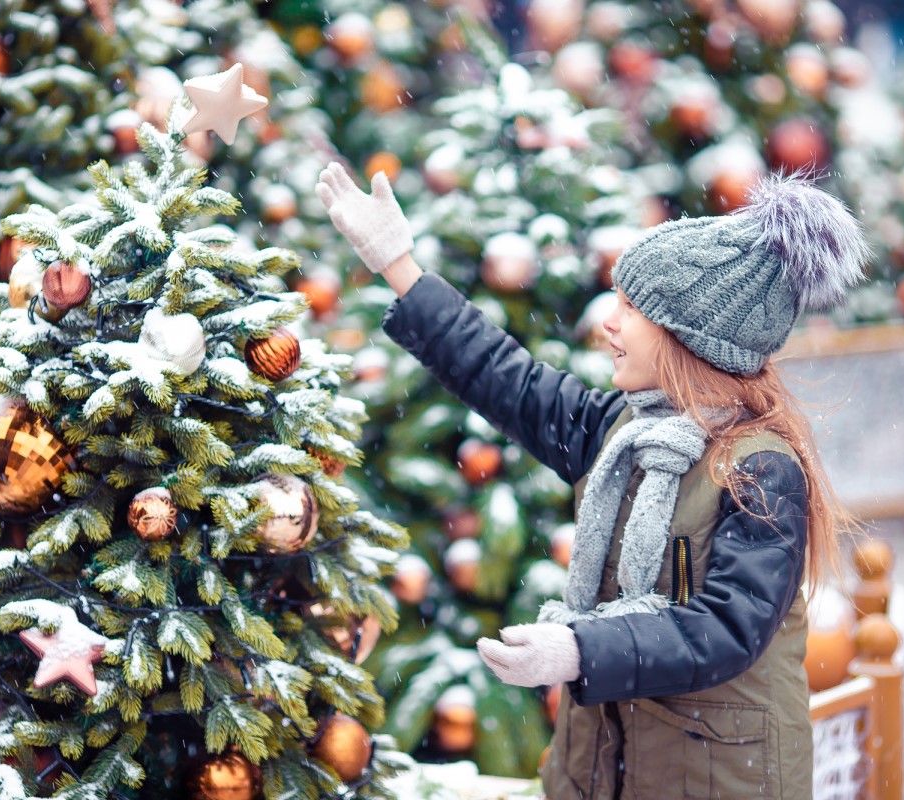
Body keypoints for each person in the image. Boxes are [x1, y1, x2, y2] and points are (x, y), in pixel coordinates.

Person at [315, 162, 870, 799]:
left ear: (687, 338)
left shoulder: (758, 469)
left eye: (631, 309)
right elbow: (505, 377)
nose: (608, 323)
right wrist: (399, 266)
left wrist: (580, 648)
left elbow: (725, 633)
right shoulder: (619, 433)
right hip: (599, 771)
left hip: (718, 780)